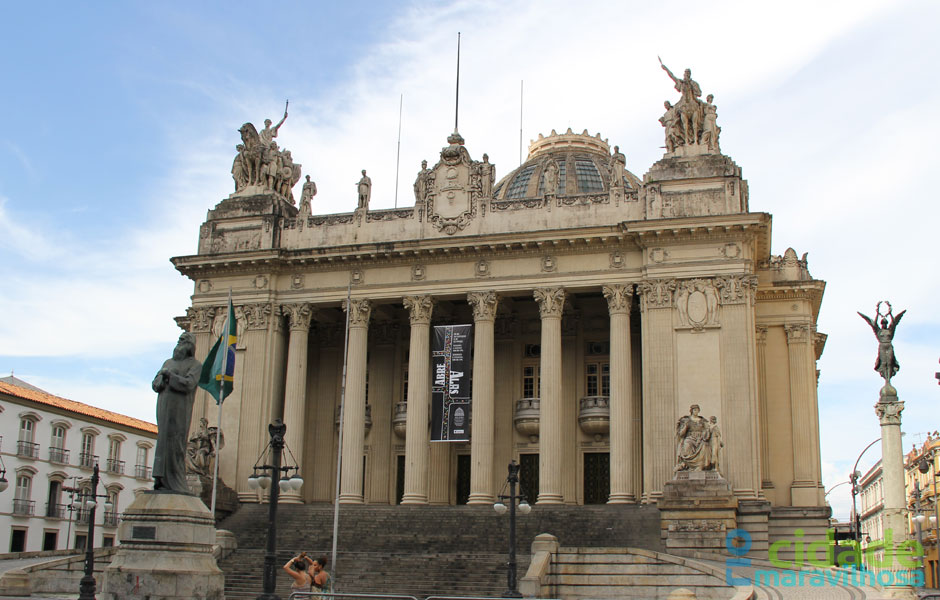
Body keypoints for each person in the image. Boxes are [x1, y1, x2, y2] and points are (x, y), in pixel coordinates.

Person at [152, 332, 202, 492]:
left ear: (190, 346)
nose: (179, 343)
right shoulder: (168, 362)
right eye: (179, 340)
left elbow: (189, 384)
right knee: (163, 441)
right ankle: (160, 480)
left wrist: (170, 376)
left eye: (183, 340)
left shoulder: (195, 365)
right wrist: (161, 379)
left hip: (180, 409)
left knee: (176, 442)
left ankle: (176, 482)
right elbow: (155, 384)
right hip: (164, 406)